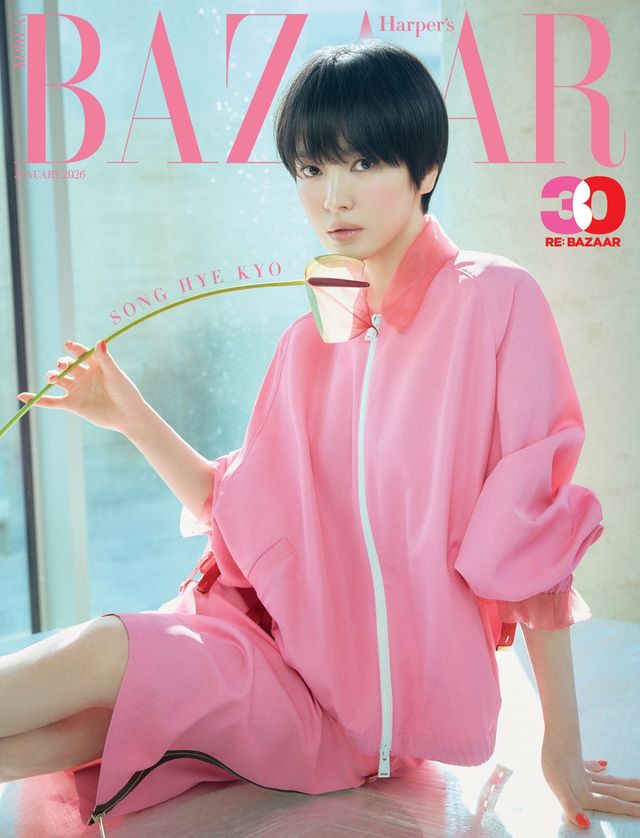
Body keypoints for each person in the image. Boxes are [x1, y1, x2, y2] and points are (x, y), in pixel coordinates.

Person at [5, 39, 638, 834]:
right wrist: (129, 413)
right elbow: (235, 505)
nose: (333, 196)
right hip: (258, 652)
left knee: (107, 658)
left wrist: (560, 747)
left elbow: (528, 541)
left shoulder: (495, 302)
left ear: (425, 169)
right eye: (311, 169)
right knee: (76, 723)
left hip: (343, 723)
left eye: (362, 163)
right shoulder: (309, 343)